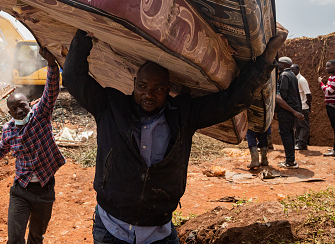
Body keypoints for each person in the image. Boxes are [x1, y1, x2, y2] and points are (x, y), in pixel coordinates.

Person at [62, 25, 288, 244]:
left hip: (159, 232)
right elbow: (73, 78)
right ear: (134, 85)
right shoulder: (110, 106)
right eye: (142, 86)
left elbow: (231, 101)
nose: (148, 94)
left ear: (168, 88)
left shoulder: (183, 114)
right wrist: (85, 31)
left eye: (158, 89)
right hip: (112, 229)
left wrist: (266, 58)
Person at [0, 47, 64, 244]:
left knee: (36, 237)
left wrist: (52, 65)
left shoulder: (40, 116)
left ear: (29, 105)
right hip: (21, 190)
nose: (20, 110)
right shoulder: (9, 129)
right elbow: (0, 149)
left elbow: (51, 91)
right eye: (14, 108)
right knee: (14, 239)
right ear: (9, 112)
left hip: (45, 189)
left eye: (23, 106)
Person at [245, 94, 301, 169]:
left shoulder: (250, 91)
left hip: (253, 116)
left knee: (250, 136)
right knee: (263, 136)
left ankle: (255, 160)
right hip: (263, 118)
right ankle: (264, 160)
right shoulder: (266, 90)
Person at [276, 57, 305, 168]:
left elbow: (281, 98)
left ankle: (290, 161)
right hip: (291, 110)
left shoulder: (284, 76)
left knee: (286, 134)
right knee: (290, 134)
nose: (277, 65)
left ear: (284, 65)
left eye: (279, 64)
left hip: (287, 111)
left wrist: (293, 112)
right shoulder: (292, 75)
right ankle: (291, 160)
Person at [291, 64, 312, 150]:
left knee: (304, 126)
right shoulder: (294, 79)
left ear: (298, 70)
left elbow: (308, 94)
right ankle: (298, 143)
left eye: (293, 69)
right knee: (298, 125)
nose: (292, 71)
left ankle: (302, 144)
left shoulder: (302, 80)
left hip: (303, 107)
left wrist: (308, 105)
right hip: (297, 107)